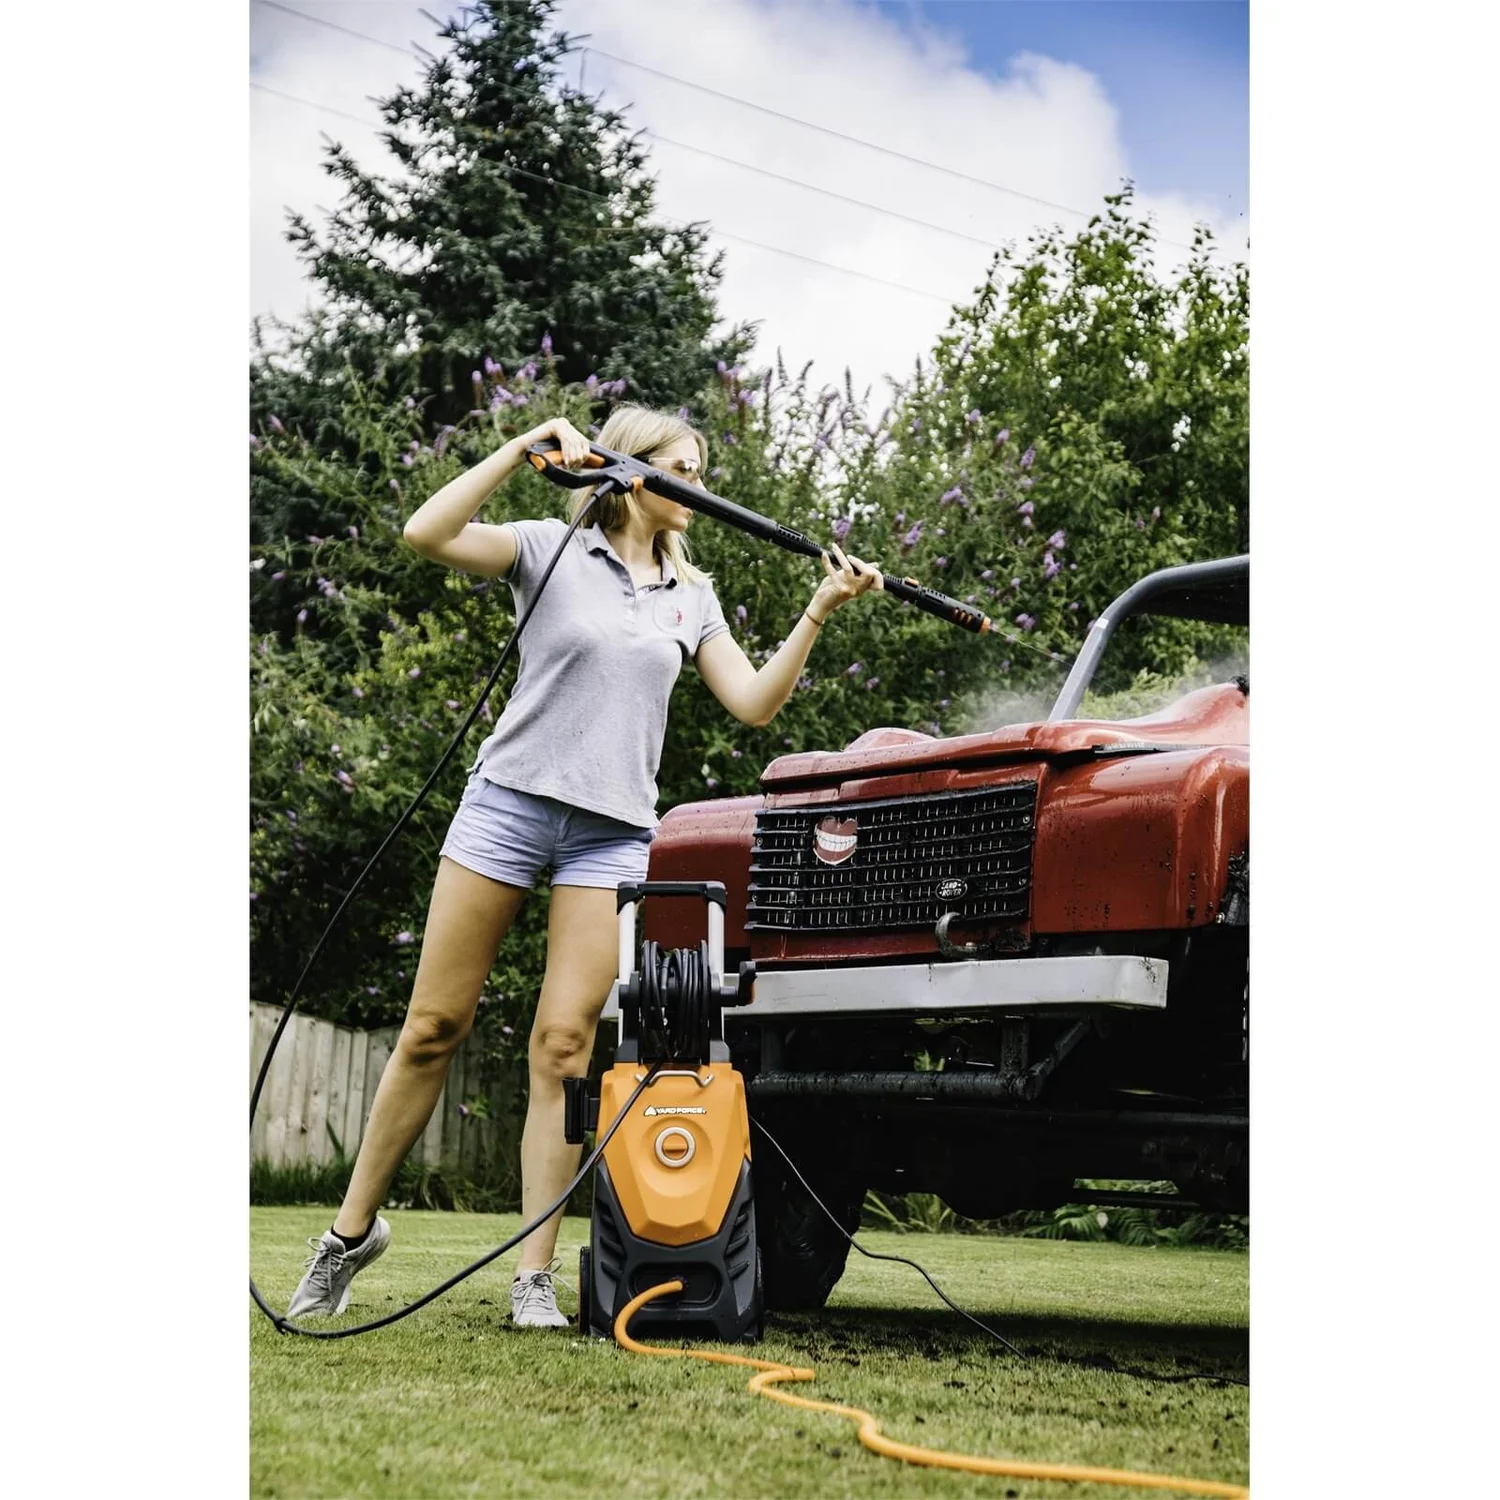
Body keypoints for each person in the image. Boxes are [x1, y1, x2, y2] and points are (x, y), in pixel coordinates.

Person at [287, 402, 882, 1327]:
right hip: (508, 806)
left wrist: (818, 611)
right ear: (627, 470)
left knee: (564, 1047)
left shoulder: (693, 594)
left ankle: (533, 1278)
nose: (699, 487)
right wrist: (519, 447)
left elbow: (754, 704)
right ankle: (347, 1236)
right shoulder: (546, 548)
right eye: (683, 468)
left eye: (702, 471)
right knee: (433, 1027)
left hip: (611, 833)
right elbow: (425, 533)